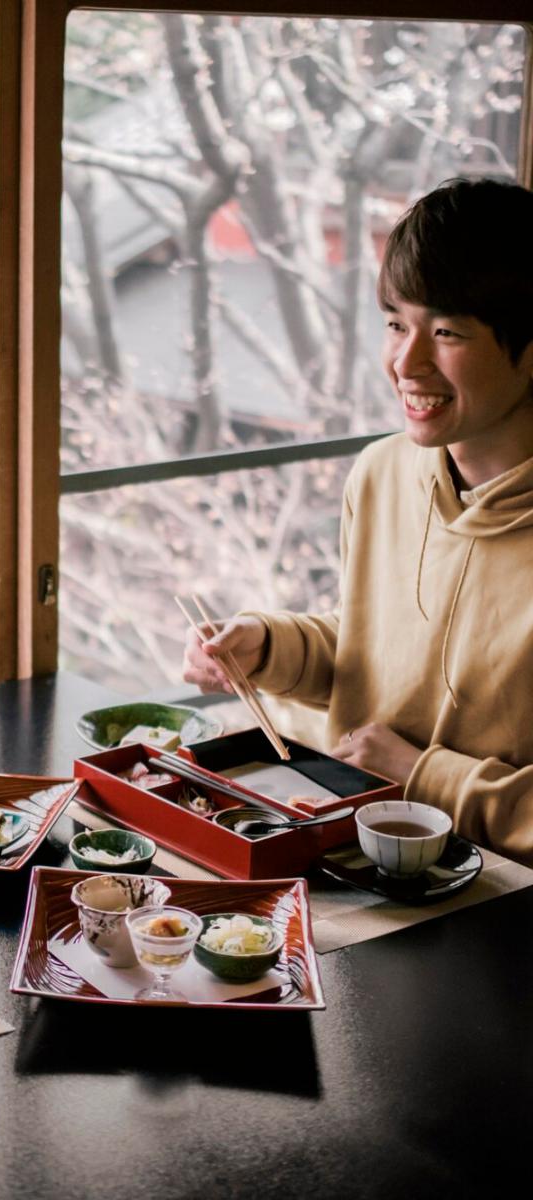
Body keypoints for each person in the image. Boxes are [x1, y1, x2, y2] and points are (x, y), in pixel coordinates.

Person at [183, 177, 533, 865]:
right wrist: (270, 648)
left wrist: (422, 776)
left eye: (447, 332)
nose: (407, 362)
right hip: (358, 860)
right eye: (397, 323)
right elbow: (377, 651)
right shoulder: (383, 473)